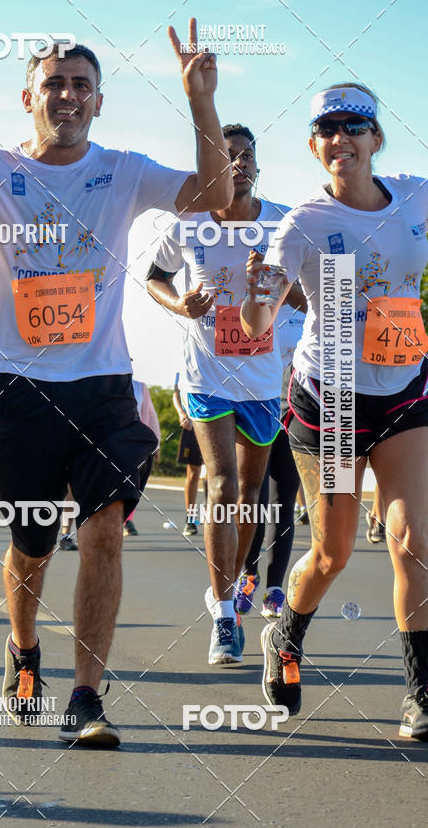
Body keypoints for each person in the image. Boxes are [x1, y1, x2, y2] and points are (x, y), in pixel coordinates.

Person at [0, 10, 232, 746]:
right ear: (29, 97)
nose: (68, 95)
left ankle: (89, 697)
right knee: (32, 544)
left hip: (102, 382)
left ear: (99, 101)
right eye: (54, 84)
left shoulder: (126, 171)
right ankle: (24, 648)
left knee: (104, 529)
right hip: (15, 386)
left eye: (82, 85)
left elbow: (214, 199)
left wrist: (201, 102)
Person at [242, 82, 428, 740]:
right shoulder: (304, 225)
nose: (341, 137)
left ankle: (421, 696)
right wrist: (258, 295)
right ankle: (286, 635)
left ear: (377, 139)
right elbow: (258, 315)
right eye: (327, 128)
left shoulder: (416, 196)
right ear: (315, 146)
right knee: (334, 553)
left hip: (405, 389)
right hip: (336, 400)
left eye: (355, 126)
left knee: (416, 543)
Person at [147, 123, 296, 665]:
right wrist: (178, 304)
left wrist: (273, 283)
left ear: (257, 165)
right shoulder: (188, 222)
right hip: (206, 376)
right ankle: (226, 613)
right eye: (226, 156)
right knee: (223, 486)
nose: (238, 164)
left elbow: (309, 296)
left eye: (246, 156)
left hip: (262, 378)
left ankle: (234, 585)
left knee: (251, 495)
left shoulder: (282, 223)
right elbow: (153, 277)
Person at [235, 292, 306, 618]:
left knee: (283, 503)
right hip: (254, 414)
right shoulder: (255, 306)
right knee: (253, 500)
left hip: (293, 416)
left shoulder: (309, 309)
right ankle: (249, 573)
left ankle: (275, 589)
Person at [123, 379, 161, 536]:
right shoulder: (106, 380)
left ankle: (126, 519)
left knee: (134, 485)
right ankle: (121, 519)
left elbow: (150, 415)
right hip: (115, 443)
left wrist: (156, 443)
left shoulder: (140, 386)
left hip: (137, 444)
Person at [172, 373, 205, 536]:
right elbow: (176, 392)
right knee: (193, 474)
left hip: (216, 420)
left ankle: (216, 516)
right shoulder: (183, 363)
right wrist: (181, 413)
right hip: (192, 423)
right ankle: (191, 519)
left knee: (218, 473)